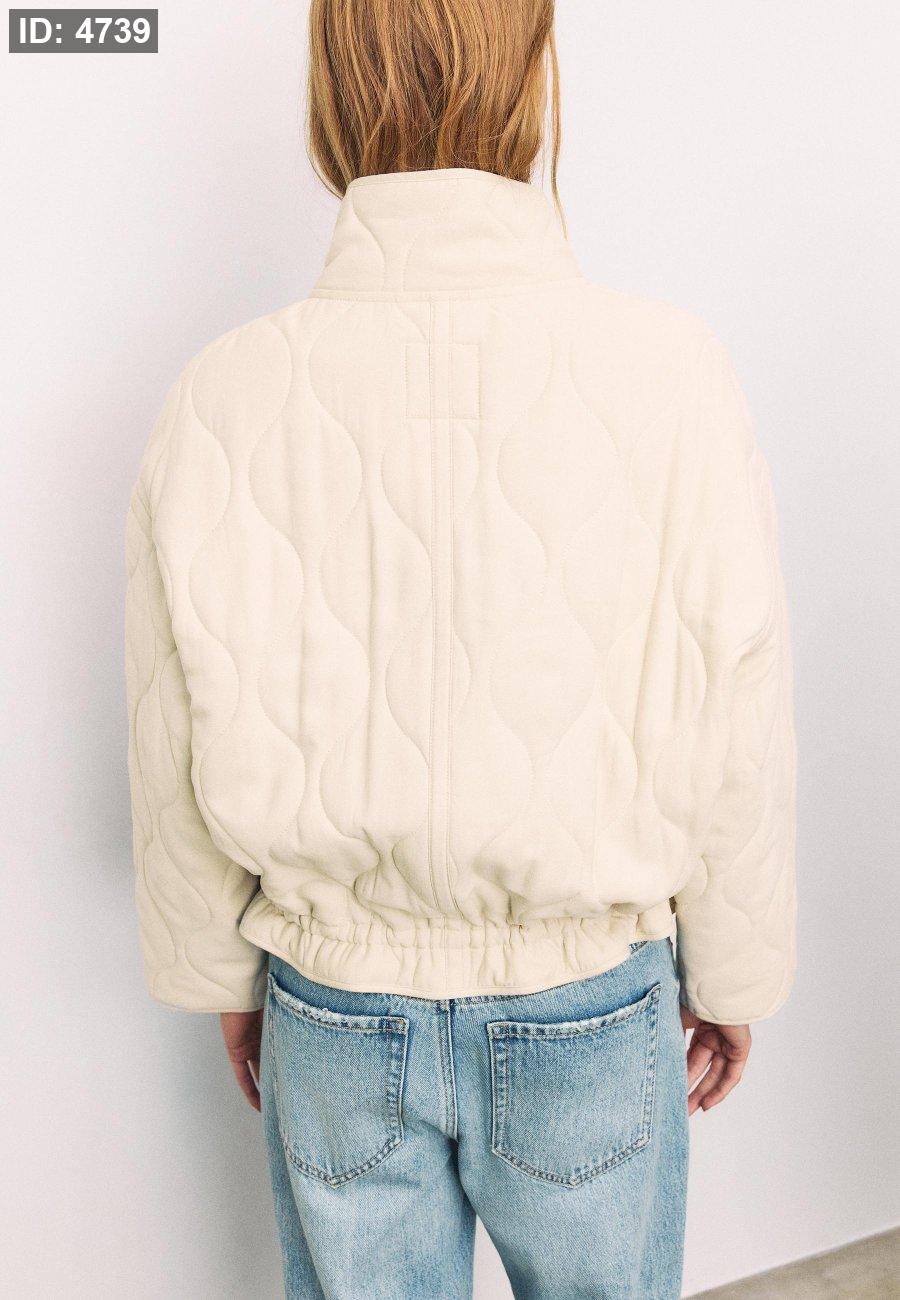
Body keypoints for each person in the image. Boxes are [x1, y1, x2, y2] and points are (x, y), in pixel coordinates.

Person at [124, 1, 797, 1295]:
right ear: (535, 77)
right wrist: (735, 973)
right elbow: (736, 707)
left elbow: (172, 723)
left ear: (332, 93)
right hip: (588, 998)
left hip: (332, 1005)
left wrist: (223, 973)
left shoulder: (220, 394)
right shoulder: (673, 374)